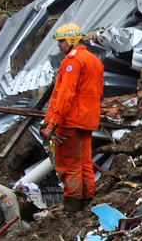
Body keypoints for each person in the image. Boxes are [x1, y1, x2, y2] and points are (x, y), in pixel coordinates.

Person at [41, 23, 104, 212]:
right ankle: (87, 198)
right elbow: (98, 92)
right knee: (83, 160)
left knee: (68, 163)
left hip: (70, 120)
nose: (59, 45)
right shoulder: (94, 60)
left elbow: (64, 95)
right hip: (87, 120)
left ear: (71, 40)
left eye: (61, 41)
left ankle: (72, 204)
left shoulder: (72, 61)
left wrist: (53, 123)